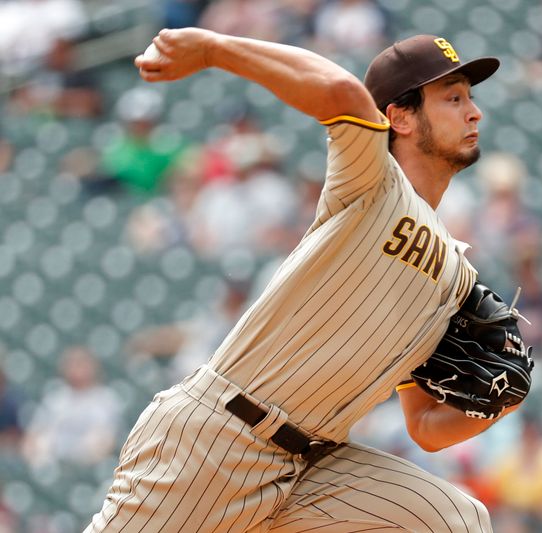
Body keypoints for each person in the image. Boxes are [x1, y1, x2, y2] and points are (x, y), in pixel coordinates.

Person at [86, 27, 514, 531]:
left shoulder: (458, 279)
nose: (474, 111)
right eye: (454, 97)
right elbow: (343, 94)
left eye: (470, 98)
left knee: (456, 521)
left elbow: (423, 426)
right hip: (218, 441)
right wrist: (212, 49)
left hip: (315, 467)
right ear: (398, 116)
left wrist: (500, 403)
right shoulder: (374, 180)